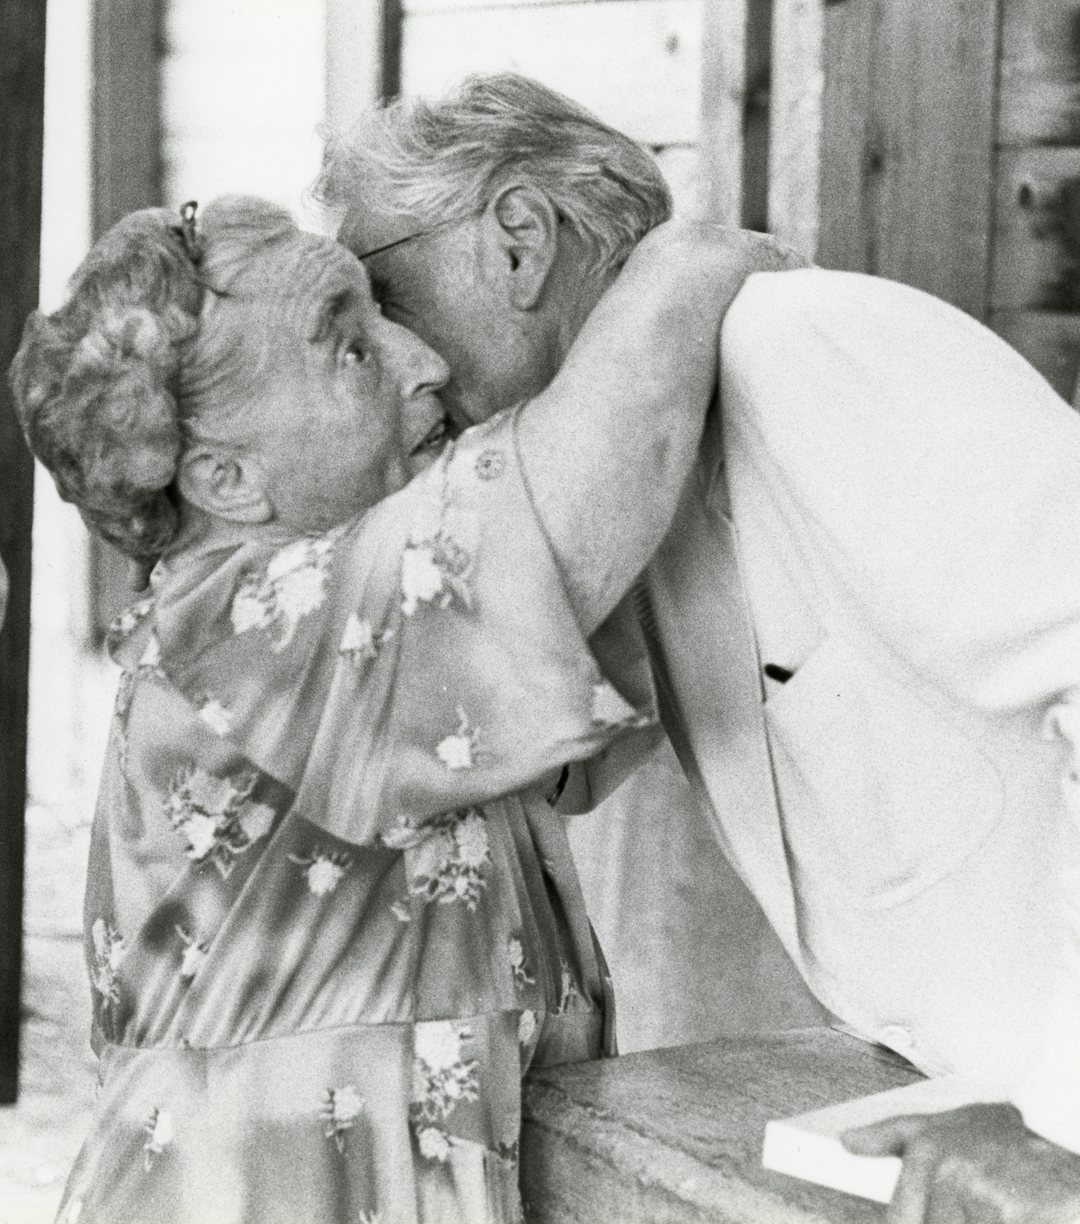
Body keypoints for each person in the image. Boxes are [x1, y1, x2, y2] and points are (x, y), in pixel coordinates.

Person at [317, 72, 1080, 1222]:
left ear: (519, 241)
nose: (398, 358)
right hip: (948, 1116)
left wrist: (1059, 1121)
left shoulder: (811, 349)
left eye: (385, 292)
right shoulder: (634, 460)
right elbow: (522, 749)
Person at [8, 194, 788, 1224]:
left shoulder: (373, 643)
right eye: (350, 349)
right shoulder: (248, 631)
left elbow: (604, 600)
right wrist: (698, 257)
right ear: (227, 479)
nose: (423, 360)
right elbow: (572, 496)